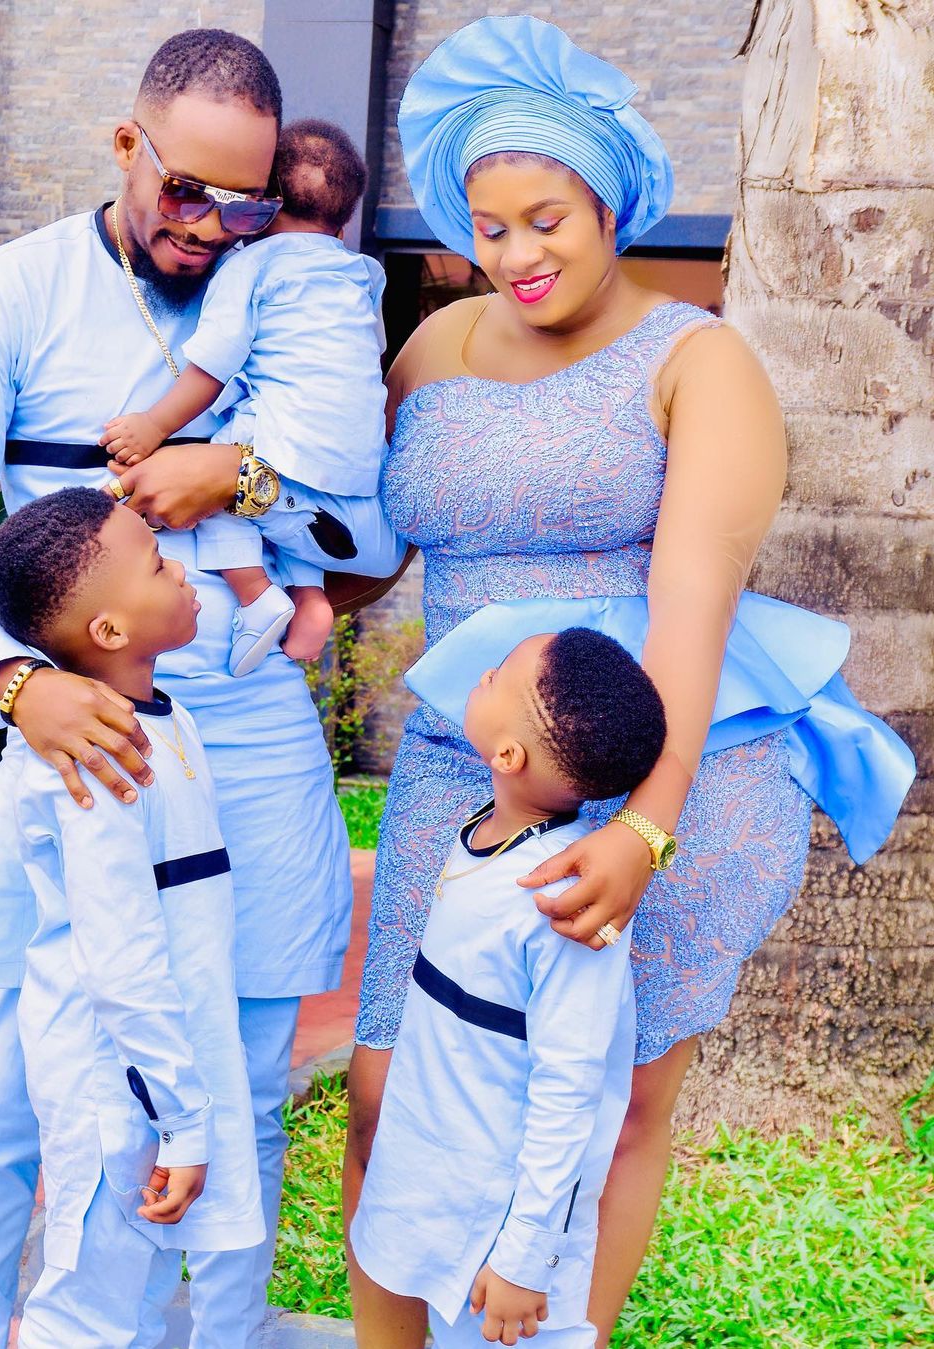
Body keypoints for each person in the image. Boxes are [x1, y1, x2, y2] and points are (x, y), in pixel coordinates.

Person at [343, 16, 914, 1348]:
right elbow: (364, 559)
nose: (518, 254)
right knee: (385, 1094)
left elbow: (690, 616)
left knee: (606, 1109)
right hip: (459, 766)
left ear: (611, 206)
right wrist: (239, 499)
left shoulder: (696, 360)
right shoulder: (432, 350)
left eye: (546, 220)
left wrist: (643, 832)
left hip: (661, 771)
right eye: (489, 227)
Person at [0, 28, 400, 1349]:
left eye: (246, 203)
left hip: (256, 745)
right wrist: (12, 674)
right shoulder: (15, 290)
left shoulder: (297, 296)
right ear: (128, 144)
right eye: (187, 191)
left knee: (246, 1092)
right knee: (10, 1093)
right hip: (74, 728)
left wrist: (248, 477)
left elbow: (371, 535)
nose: (212, 226)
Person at [0, 488, 263, 1346]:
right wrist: (180, 1116)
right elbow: (120, 959)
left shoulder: (167, 721)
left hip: (167, 1072)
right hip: (119, 1084)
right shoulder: (95, 761)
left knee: (134, 1300)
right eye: (157, 563)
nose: (183, 572)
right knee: (87, 1313)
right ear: (107, 630)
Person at [351, 626, 667, 1348]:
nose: (482, 674)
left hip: (503, 1240)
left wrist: (527, 1255)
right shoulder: (480, 834)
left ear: (508, 756)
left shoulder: (561, 898)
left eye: (496, 675)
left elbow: (571, 1085)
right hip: (437, 1193)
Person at [102, 118, 387, 677]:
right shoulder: (363, 274)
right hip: (357, 464)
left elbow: (211, 367)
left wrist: (155, 426)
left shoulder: (252, 265)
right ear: (346, 219)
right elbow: (365, 353)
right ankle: (310, 597)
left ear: (261, 207)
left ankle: (257, 595)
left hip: (279, 447)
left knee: (208, 487)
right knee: (278, 486)